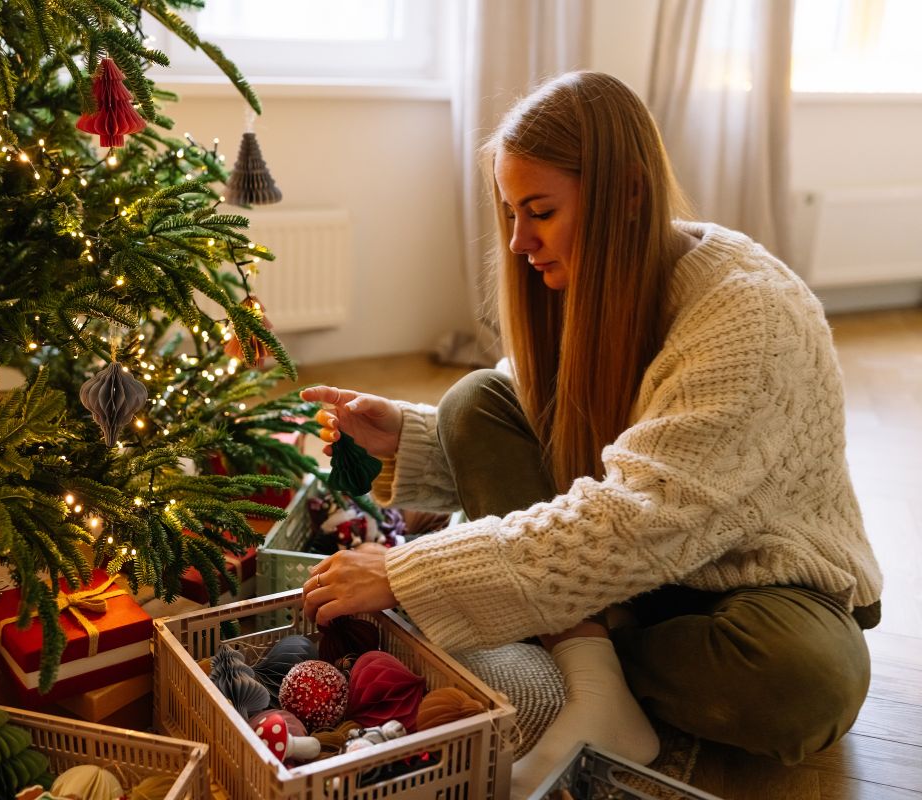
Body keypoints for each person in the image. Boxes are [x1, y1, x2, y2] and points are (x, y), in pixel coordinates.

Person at [300, 70, 882, 794]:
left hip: (752, 582)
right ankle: (587, 665)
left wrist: (412, 574)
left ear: (628, 194)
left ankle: (575, 658)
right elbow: (523, 421)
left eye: (539, 212)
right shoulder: (594, 282)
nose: (518, 242)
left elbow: (637, 522)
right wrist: (408, 435)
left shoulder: (748, 318)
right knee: (472, 399)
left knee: (804, 684)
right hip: (640, 573)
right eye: (512, 213)